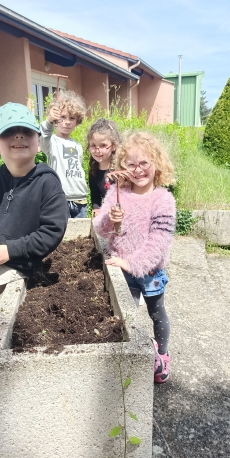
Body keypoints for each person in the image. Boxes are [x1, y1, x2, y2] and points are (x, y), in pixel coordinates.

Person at [0, 102, 68, 381]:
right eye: (10, 132)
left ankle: (1, 355)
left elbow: (52, 231)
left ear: (38, 140)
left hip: (23, 261)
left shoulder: (47, 182)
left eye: (26, 131)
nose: (19, 137)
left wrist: (12, 250)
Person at [93, 131, 176, 383]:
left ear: (157, 165)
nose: (137, 170)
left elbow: (157, 244)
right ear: (121, 167)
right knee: (123, 315)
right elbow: (100, 228)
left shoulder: (163, 200)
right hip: (119, 266)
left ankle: (162, 353)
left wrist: (131, 263)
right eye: (130, 164)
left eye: (144, 163)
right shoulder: (118, 193)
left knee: (156, 313)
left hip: (149, 271)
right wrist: (110, 219)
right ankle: (125, 356)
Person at [40, 90, 88, 218]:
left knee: (81, 236)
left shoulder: (77, 145)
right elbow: (43, 137)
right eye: (62, 117)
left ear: (77, 121)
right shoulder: (51, 142)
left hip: (81, 199)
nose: (67, 122)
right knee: (61, 235)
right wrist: (49, 121)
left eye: (72, 118)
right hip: (60, 198)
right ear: (56, 119)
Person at [87, 118, 120, 216]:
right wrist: (96, 208)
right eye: (93, 145)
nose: (97, 150)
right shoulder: (93, 172)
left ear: (113, 146)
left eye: (103, 145)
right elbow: (95, 196)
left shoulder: (120, 169)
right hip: (108, 216)